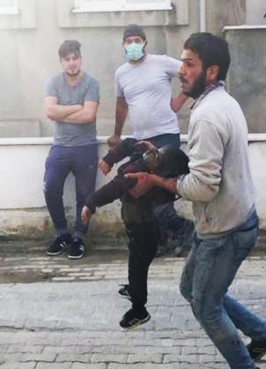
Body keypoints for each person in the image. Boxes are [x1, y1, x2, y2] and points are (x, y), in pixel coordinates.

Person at [125, 32, 266, 369]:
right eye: (181, 62)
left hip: (225, 229)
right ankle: (265, 335)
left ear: (211, 71)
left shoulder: (208, 116)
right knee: (191, 288)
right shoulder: (221, 102)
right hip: (225, 220)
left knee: (205, 304)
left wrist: (155, 180)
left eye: (189, 64)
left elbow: (202, 186)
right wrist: (161, 158)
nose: (180, 71)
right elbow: (205, 164)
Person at [107, 24, 194, 301]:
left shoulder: (161, 63)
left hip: (166, 135)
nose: (133, 45)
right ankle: (161, 241)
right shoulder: (121, 73)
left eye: (137, 40)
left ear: (144, 43)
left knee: (162, 193)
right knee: (142, 195)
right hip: (140, 139)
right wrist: (117, 134)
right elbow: (121, 105)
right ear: (123, 45)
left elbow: (189, 73)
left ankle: (185, 233)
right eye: (128, 41)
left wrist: (179, 101)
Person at [82, 138, 189, 329]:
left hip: (144, 230)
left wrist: (90, 203)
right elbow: (130, 144)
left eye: (156, 159)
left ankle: (139, 310)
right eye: (154, 154)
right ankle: (134, 289)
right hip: (140, 227)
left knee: (137, 268)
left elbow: (115, 188)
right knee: (137, 264)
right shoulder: (145, 156)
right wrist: (110, 159)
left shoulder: (143, 177)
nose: (151, 157)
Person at [43, 40, 100, 260]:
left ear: (80, 59)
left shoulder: (91, 83)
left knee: (85, 195)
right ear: (61, 62)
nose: (72, 63)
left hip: (85, 147)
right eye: (67, 59)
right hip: (60, 146)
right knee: (50, 187)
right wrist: (77, 107)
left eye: (75, 58)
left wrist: (62, 113)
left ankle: (78, 237)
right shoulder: (54, 82)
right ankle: (62, 234)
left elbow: (89, 115)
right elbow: (50, 112)